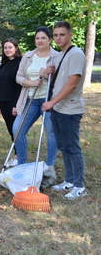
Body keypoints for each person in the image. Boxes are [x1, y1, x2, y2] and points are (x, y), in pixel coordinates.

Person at [42, 21, 87, 200]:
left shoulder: (76, 53)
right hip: (59, 108)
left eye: (62, 34)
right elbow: (59, 79)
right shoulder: (61, 55)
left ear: (70, 35)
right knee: (63, 146)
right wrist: (50, 71)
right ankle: (69, 180)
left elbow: (72, 82)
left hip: (70, 109)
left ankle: (79, 185)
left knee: (72, 147)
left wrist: (51, 102)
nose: (59, 38)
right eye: (56, 35)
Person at [13, 27, 59, 172]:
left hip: (48, 101)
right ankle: (22, 164)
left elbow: (61, 80)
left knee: (51, 133)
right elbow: (18, 77)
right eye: (37, 38)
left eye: (43, 38)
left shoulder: (57, 57)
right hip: (30, 99)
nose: (40, 41)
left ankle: (49, 166)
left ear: (49, 40)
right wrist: (31, 82)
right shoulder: (28, 56)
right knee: (17, 130)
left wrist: (47, 75)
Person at [0, 38, 22, 167]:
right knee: (10, 129)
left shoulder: (20, 62)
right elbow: (2, 85)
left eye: (10, 47)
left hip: (14, 102)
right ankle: (17, 155)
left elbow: (20, 86)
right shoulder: (5, 64)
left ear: (16, 48)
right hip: (3, 102)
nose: (7, 50)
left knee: (16, 130)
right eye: (5, 47)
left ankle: (18, 156)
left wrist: (16, 105)